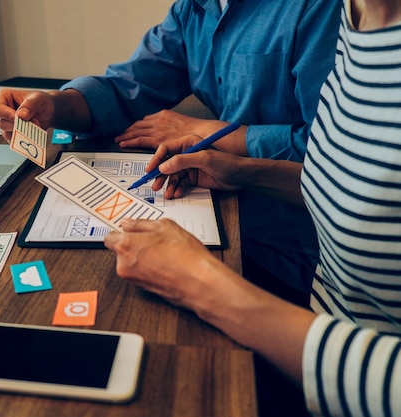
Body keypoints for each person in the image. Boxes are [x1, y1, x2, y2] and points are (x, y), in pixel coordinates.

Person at [104, 1, 401, 415]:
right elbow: (356, 187)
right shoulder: (358, 20)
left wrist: (203, 285)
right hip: (316, 329)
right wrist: (244, 173)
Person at [0, 0, 342, 307]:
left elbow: (334, 151)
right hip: (220, 217)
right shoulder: (193, 9)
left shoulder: (320, 8)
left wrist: (210, 132)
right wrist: (56, 105)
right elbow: (127, 86)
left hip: (296, 255)